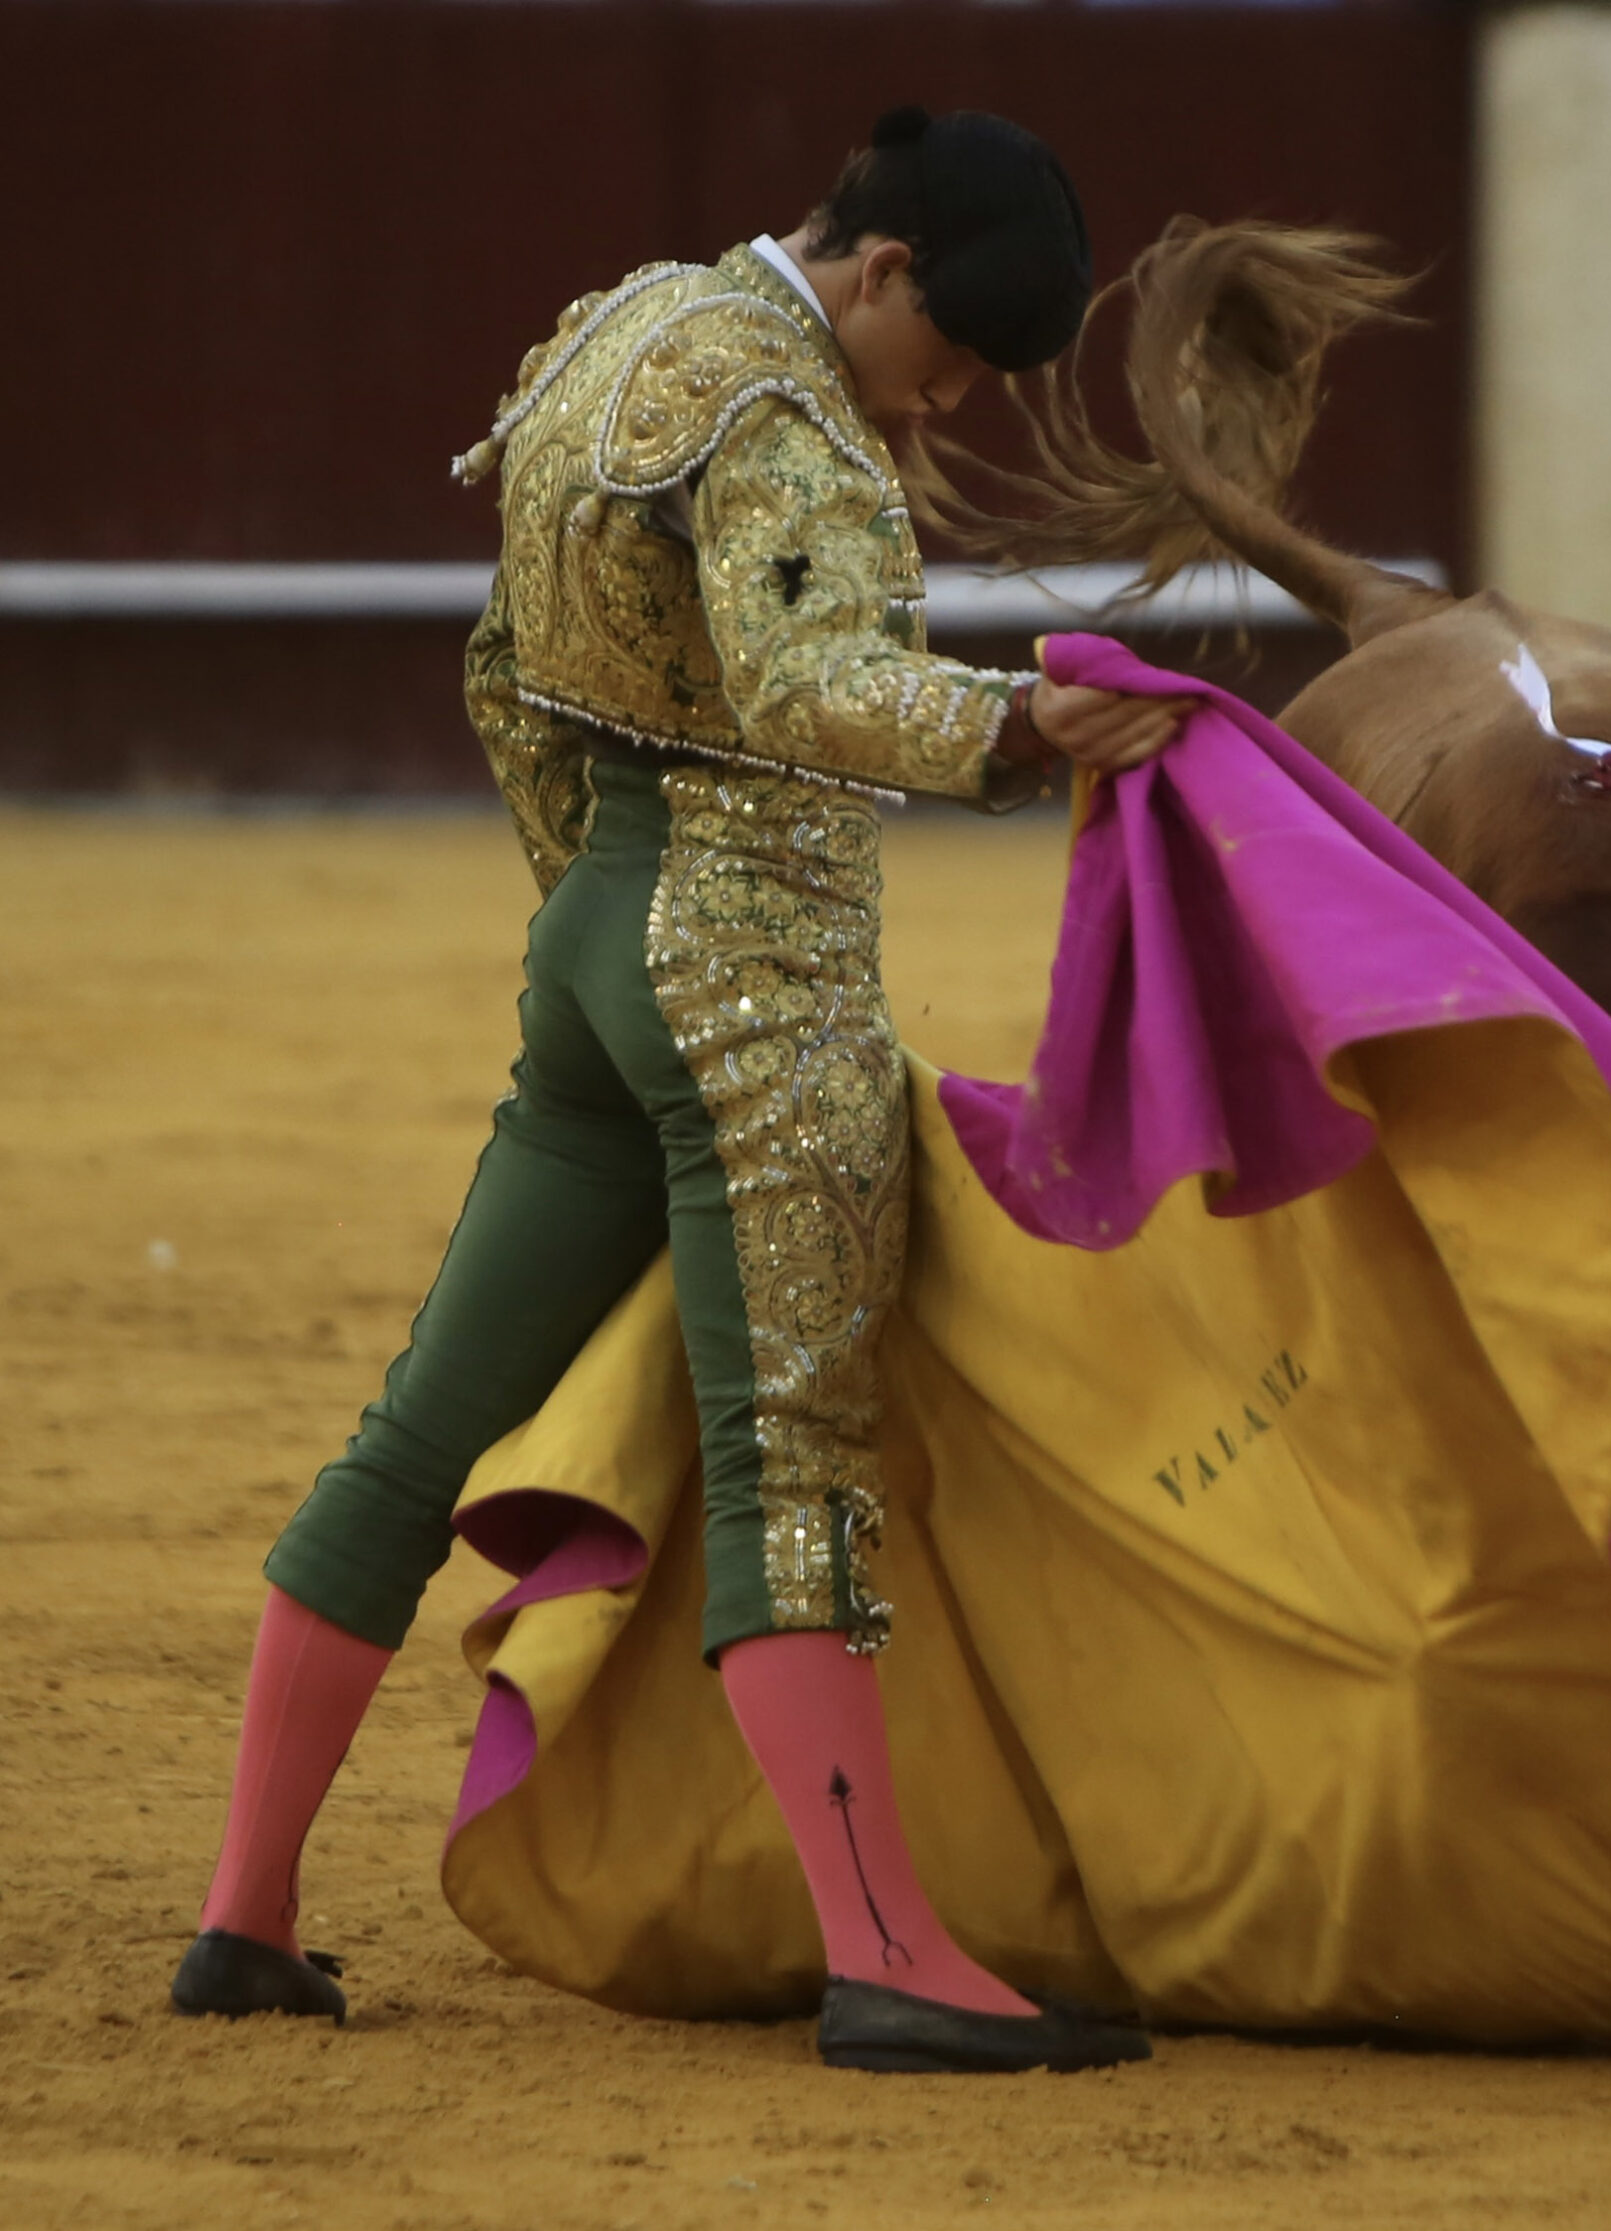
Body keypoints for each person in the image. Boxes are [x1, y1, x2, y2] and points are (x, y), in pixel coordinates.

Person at [170, 105, 1181, 2074]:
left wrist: (591, 917)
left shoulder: (617, 328)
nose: (949, 399)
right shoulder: (778, 412)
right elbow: (808, 685)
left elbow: (503, 664)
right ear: (876, 269)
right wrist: (1013, 727)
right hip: (745, 977)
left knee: (416, 1433)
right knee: (790, 1460)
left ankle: (246, 1917)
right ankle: (884, 1948)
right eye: (948, 353)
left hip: (596, 951)